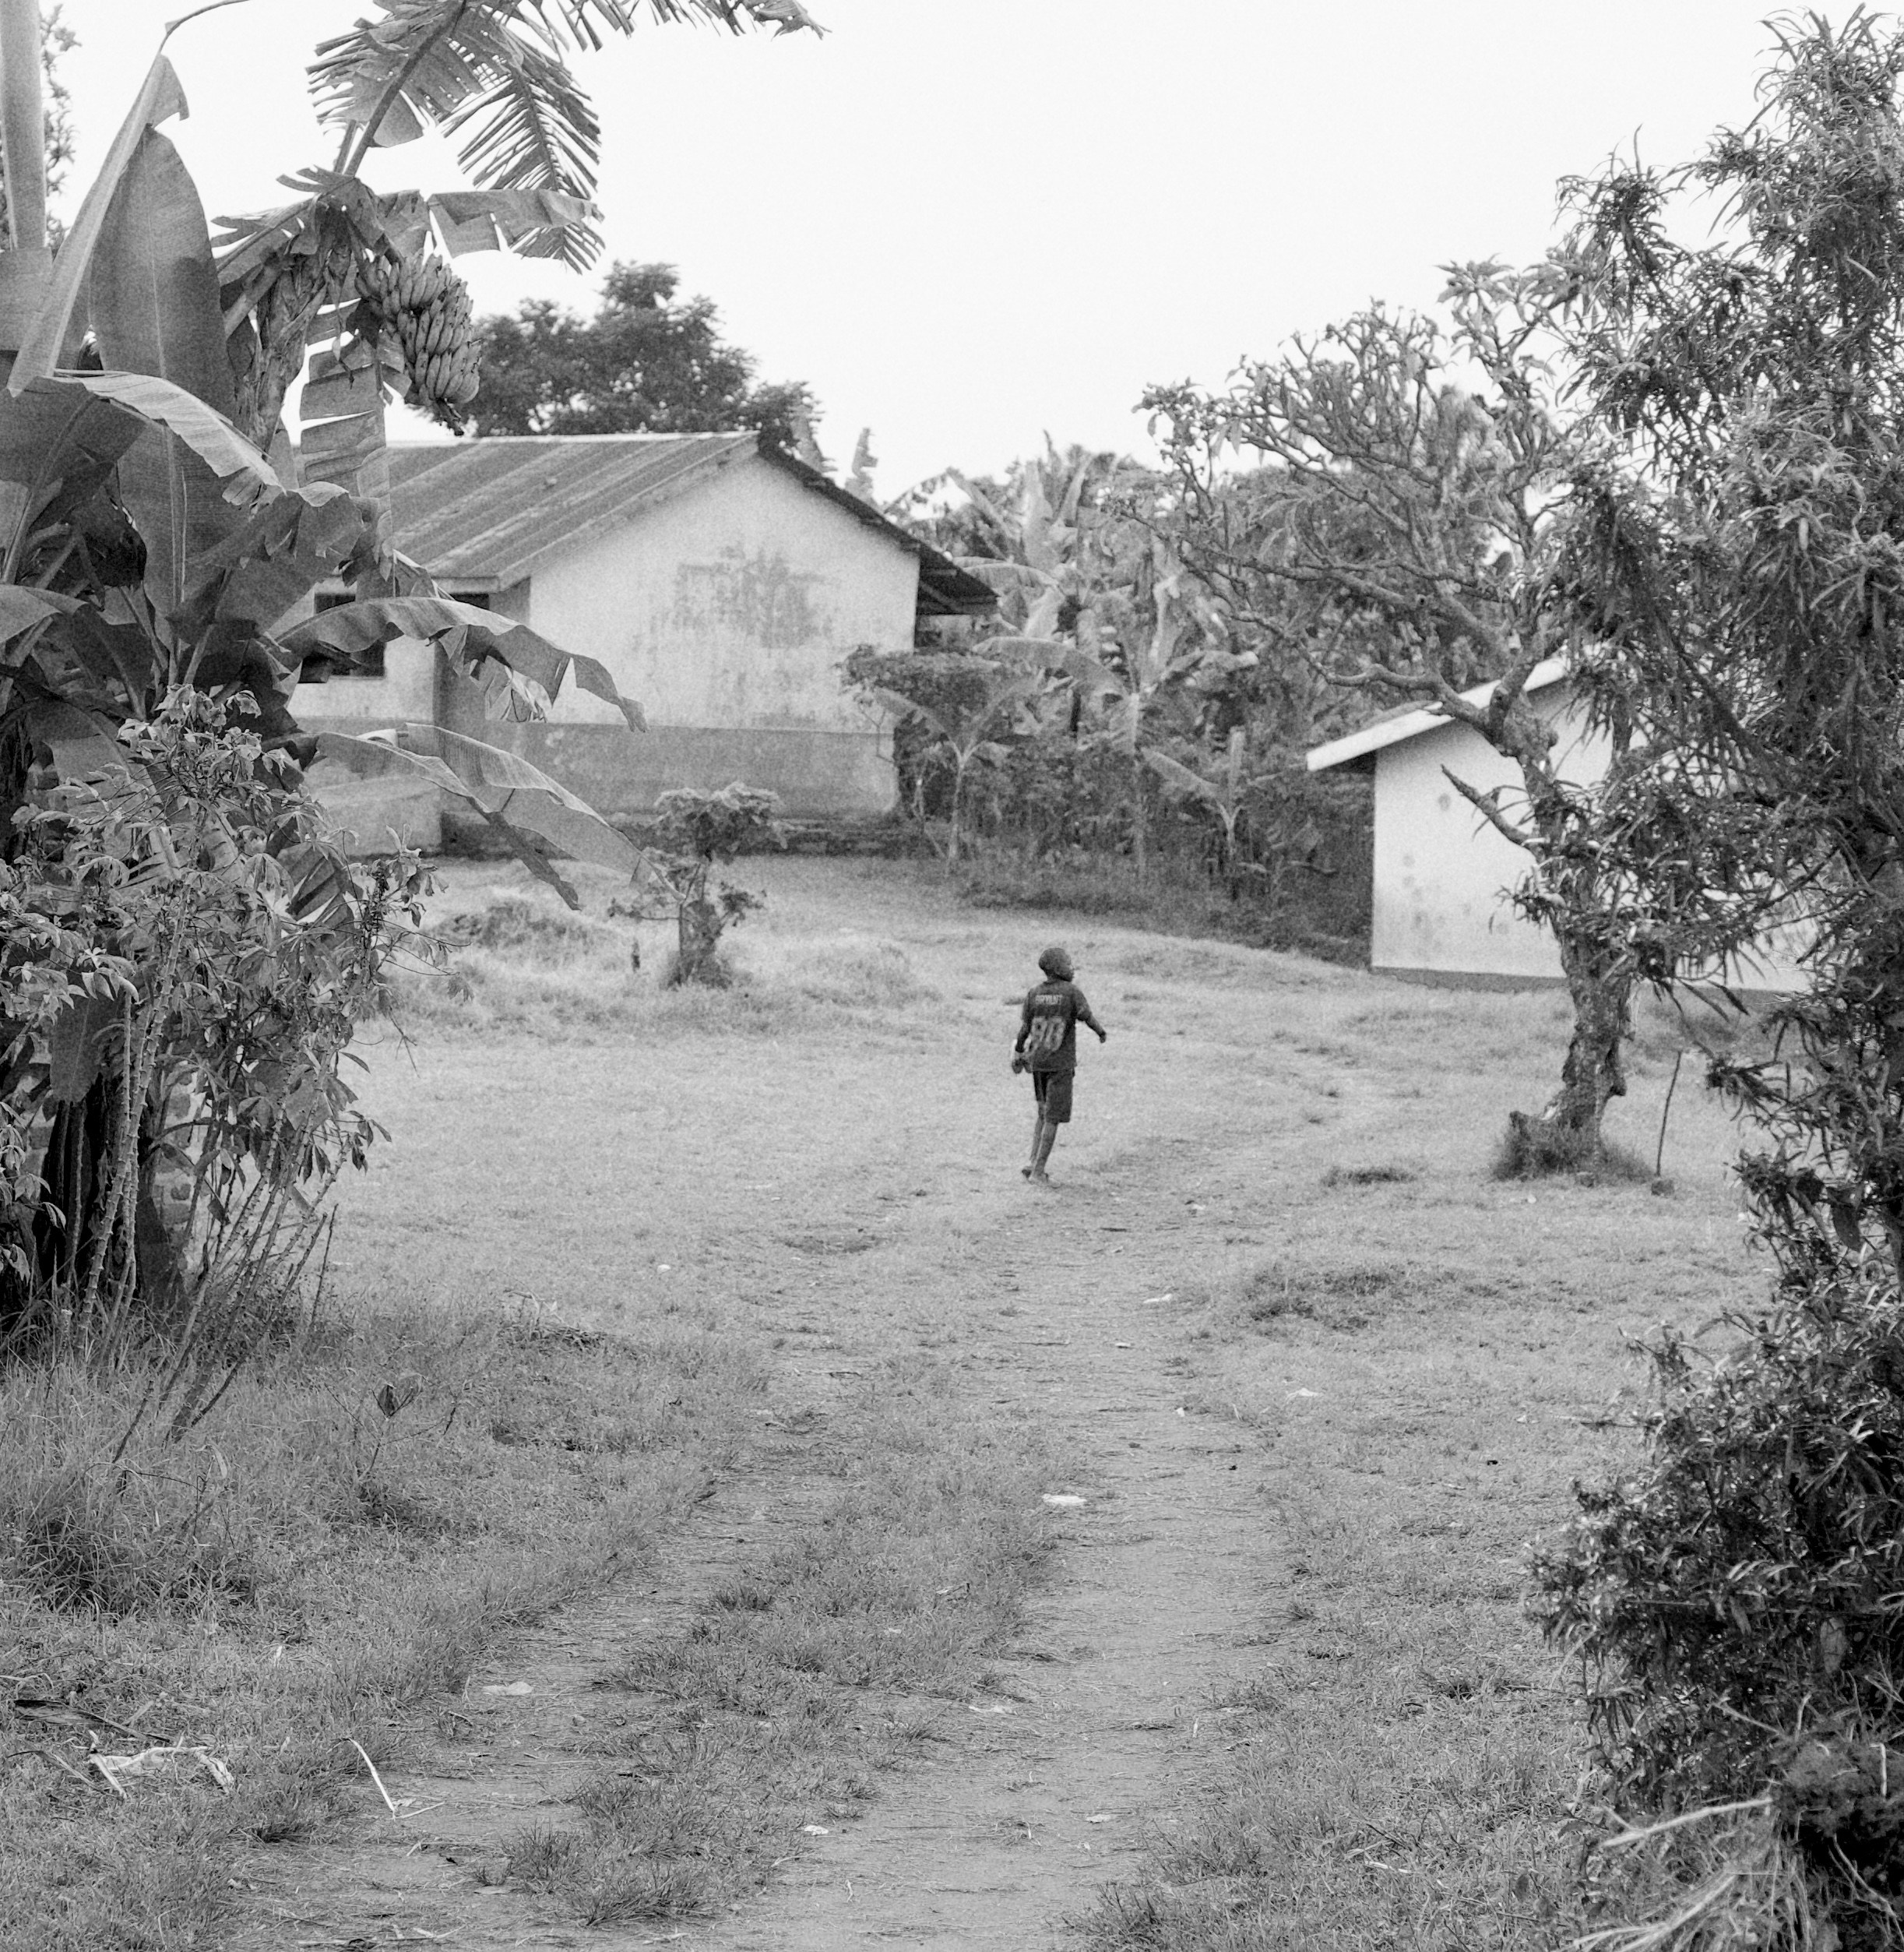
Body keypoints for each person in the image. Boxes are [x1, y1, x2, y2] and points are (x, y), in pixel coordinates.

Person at [1011, 945, 1107, 1182]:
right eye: (1068, 963)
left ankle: (1032, 1161)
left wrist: (1019, 1049)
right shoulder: (1072, 993)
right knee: (1054, 1117)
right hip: (1060, 1064)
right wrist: (1101, 1032)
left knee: (1042, 1113)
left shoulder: (1034, 994)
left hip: (1038, 1063)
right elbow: (1087, 1017)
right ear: (1057, 968)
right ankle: (1038, 1171)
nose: (1072, 967)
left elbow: (1024, 1029)